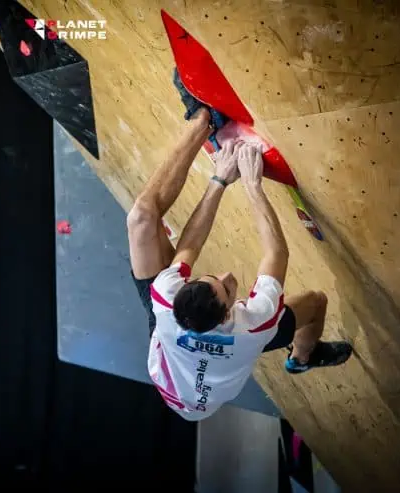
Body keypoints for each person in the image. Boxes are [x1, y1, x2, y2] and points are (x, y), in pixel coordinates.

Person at [127, 70, 353, 421]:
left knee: (141, 218)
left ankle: (204, 119)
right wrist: (251, 185)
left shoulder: (167, 298)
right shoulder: (252, 326)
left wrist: (219, 179)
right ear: (228, 314)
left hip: (171, 359)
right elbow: (277, 253)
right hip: (210, 381)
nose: (228, 275)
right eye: (229, 289)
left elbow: (189, 246)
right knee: (315, 303)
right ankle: (303, 358)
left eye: (211, 278)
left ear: (181, 291)